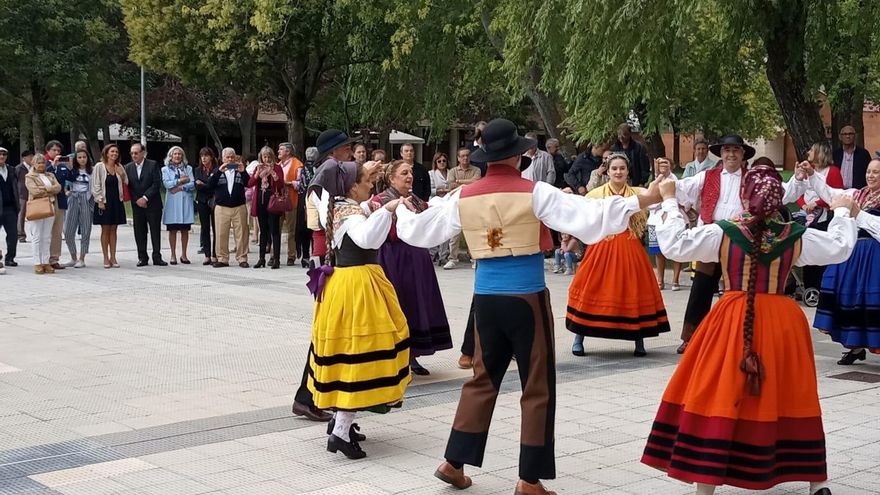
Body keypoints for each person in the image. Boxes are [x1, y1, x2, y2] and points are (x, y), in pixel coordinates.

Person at [395, 118, 662, 495]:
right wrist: (645, 199)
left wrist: (401, 212)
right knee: (537, 385)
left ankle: (453, 462)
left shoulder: (463, 196)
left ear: (487, 157)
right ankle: (529, 479)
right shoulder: (535, 192)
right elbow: (590, 218)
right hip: (526, 297)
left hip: (486, 299)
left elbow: (419, 231)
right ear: (517, 156)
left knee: (482, 379)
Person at [641, 166, 857, 495]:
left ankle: (706, 484)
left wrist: (670, 201)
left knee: (721, 391)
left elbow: (674, 246)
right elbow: (840, 247)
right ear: (778, 200)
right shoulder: (796, 235)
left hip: (733, 318)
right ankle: (817, 483)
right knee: (791, 393)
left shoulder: (723, 232)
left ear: (745, 196)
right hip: (782, 322)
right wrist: (841, 210)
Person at [672, 135, 817, 354]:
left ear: (742, 155)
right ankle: (691, 338)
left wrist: (797, 179)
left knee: (738, 292)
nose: (731, 154)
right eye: (727, 150)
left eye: (735, 150)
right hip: (711, 237)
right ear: (721, 154)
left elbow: (781, 193)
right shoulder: (707, 176)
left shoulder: (753, 178)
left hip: (741, 240)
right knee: (701, 287)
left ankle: (737, 337)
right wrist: (666, 182)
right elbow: (682, 188)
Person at [305, 159, 410, 460]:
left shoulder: (337, 206)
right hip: (358, 287)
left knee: (347, 357)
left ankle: (341, 423)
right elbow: (366, 237)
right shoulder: (350, 215)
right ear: (351, 188)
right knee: (359, 358)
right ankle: (340, 433)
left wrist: (364, 170)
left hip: (343, 284)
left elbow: (357, 206)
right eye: (366, 182)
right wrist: (388, 210)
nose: (371, 186)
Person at [567, 153, 670, 358]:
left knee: (634, 289)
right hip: (601, 247)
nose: (618, 172)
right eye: (614, 168)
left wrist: (664, 174)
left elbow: (660, 193)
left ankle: (638, 339)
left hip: (630, 246)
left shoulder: (638, 193)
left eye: (622, 168)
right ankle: (579, 337)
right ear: (607, 170)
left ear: (628, 171)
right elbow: (583, 217)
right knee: (591, 287)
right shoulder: (595, 195)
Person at [291, 129, 362, 423]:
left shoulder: (329, 176)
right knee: (326, 334)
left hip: (331, 260)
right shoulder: (327, 176)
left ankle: (312, 395)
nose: (349, 153)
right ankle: (308, 397)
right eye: (346, 148)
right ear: (334, 152)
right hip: (331, 262)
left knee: (328, 333)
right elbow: (325, 222)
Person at [371, 160, 453, 376]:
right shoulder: (380, 201)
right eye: (404, 173)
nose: (410, 176)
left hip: (417, 258)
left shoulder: (415, 199)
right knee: (399, 303)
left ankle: (413, 353)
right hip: (394, 259)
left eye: (411, 173)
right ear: (391, 178)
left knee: (417, 303)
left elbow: (430, 215)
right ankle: (397, 355)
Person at [812, 159, 880, 365]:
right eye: (868, 171)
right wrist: (812, 176)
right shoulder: (857, 195)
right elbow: (830, 193)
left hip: (874, 256)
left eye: (876, 172)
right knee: (849, 297)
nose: (870, 176)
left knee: (871, 300)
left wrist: (858, 213)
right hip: (853, 254)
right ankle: (855, 346)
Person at [797, 142, 844, 289]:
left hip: (823, 218)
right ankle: (808, 287)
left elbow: (836, 195)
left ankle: (821, 287)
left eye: (811, 150)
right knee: (806, 251)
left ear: (819, 153)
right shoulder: (806, 170)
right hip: (806, 217)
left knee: (820, 254)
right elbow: (798, 191)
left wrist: (817, 203)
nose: (808, 152)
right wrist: (803, 205)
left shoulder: (833, 171)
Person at [126, 143, 167, 267]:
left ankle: (157, 257)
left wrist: (145, 198)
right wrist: (137, 200)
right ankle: (142, 257)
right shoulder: (128, 167)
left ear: (143, 153)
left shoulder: (152, 165)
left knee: (155, 231)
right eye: (132, 153)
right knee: (139, 232)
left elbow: (156, 183)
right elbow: (128, 187)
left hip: (153, 204)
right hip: (137, 205)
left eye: (136, 153)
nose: (134, 155)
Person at [209, 147, 250, 268]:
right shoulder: (217, 171)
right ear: (223, 159)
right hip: (221, 207)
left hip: (239, 206)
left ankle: (242, 258)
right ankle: (222, 258)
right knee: (221, 233)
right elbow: (210, 185)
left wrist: (243, 172)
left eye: (232, 157)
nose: (230, 159)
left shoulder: (240, 171)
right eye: (227, 157)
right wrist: (219, 172)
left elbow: (249, 183)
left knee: (242, 233)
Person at [442, 148, 481, 270]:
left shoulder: (476, 170)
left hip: (471, 204)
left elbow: (477, 182)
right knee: (454, 233)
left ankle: (475, 258)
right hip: (456, 204)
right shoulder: (452, 171)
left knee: (472, 232)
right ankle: (452, 259)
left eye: (467, 155)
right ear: (458, 158)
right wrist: (467, 183)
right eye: (462, 156)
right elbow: (451, 185)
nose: (465, 158)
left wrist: (459, 181)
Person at [648, 157, 683, 290]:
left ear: (671, 166)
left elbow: (682, 199)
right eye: (660, 163)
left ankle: (675, 280)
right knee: (658, 251)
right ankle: (660, 280)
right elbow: (648, 199)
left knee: (677, 249)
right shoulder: (654, 180)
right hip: (655, 219)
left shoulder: (675, 181)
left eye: (665, 163)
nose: (663, 165)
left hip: (673, 218)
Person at [92, 144, 128, 269]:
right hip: (104, 201)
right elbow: (96, 184)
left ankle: (113, 256)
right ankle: (105, 257)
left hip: (116, 201)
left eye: (116, 152)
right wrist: (100, 200)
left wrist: (121, 174)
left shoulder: (119, 166)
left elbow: (126, 182)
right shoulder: (99, 166)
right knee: (105, 229)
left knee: (114, 229)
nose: (114, 154)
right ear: (106, 153)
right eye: (112, 151)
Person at [25, 154, 62, 274]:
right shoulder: (29, 176)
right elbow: (35, 191)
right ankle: (37, 262)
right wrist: (50, 189)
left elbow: (58, 187)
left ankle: (46, 261)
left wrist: (45, 189)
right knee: (37, 236)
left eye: (43, 163)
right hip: (37, 207)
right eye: (38, 163)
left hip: (50, 207)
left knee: (46, 236)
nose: (41, 165)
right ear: (34, 164)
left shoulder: (50, 175)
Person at [249, 146, 285, 269]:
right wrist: (257, 174)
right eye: (265, 157)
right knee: (263, 230)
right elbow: (250, 183)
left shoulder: (277, 168)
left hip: (272, 199)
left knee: (274, 230)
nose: (267, 159)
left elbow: (280, 185)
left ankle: (276, 259)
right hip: (261, 199)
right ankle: (261, 258)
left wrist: (273, 174)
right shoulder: (258, 168)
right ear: (261, 157)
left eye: (269, 157)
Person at [161, 146, 195, 265]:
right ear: (170, 156)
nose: (177, 156)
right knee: (173, 230)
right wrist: (180, 181)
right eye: (175, 154)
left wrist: (181, 187)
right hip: (173, 203)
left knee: (185, 230)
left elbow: (192, 184)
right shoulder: (165, 169)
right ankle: (173, 255)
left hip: (185, 200)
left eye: (179, 154)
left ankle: (184, 255)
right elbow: (167, 184)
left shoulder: (188, 168)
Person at [62, 149, 94, 268]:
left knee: (86, 230)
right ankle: (73, 257)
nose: (82, 159)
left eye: (84, 157)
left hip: (86, 199)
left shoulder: (92, 171)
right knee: (68, 231)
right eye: (79, 157)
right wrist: (67, 192)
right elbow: (65, 184)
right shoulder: (71, 170)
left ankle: (82, 258)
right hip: (73, 198)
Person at [45, 140, 73, 270]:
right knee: (46, 231)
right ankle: (43, 258)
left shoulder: (62, 165)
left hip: (60, 199)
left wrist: (71, 167)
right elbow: (41, 176)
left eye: (58, 150)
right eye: (54, 150)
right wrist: (53, 166)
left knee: (57, 231)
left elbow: (71, 178)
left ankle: (54, 258)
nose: (57, 153)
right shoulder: (43, 163)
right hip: (47, 199)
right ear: (48, 151)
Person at [278, 142, 304, 266]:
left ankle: (291, 256)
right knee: (275, 230)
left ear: (288, 152)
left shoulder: (297, 165)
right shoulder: (277, 165)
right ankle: (274, 255)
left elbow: (300, 183)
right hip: (277, 202)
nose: (278, 151)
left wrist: (288, 183)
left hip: (291, 202)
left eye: (281, 149)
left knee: (291, 231)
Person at [295, 146, 319, 268]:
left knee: (304, 229)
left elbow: (300, 185)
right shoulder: (318, 168)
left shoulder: (302, 168)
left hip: (303, 200)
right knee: (314, 229)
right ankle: (315, 255)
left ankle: (305, 256)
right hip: (314, 200)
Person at [194, 148, 218, 266]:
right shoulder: (197, 170)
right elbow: (197, 186)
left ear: (211, 157)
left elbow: (214, 185)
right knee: (205, 228)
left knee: (216, 227)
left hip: (214, 200)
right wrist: (207, 184)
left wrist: (204, 184)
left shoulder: (217, 170)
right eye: (202, 156)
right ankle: (207, 255)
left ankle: (215, 254)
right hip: (202, 201)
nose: (204, 158)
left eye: (206, 155)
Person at [832, 125, 872, 189]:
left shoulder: (864, 154)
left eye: (850, 134)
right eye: (845, 134)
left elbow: (869, 172)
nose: (848, 136)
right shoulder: (835, 154)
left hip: (857, 191)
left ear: (855, 136)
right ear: (840, 137)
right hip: (838, 191)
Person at [0, 147, 20, 273]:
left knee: (13, 234)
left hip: (10, 207)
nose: (2, 157)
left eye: (4, 154)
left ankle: (10, 258)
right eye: (0, 154)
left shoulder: (12, 170)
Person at [429, 152, 451, 264]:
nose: (442, 163)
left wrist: (446, 190)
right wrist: (439, 190)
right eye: (439, 161)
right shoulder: (431, 173)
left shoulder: (451, 172)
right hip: (436, 203)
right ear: (435, 162)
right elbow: (430, 189)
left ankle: (443, 255)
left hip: (448, 203)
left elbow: (453, 186)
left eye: (444, 161)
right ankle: (432, 253)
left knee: (446, 229)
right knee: (435, 229)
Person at [15, 150, 34, 243]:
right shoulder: (19, 168)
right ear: (24, 158)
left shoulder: (34, 168)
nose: (31, 158)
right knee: (21, 214)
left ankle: (35, 234)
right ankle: (21, 235)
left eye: (32, 156)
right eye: (29, 157)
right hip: (22, 194)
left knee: (35, 214)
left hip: (33, 194)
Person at [245, 155, 260, 247]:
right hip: (257, 193)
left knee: (248, 216)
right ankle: (256, 235)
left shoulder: (248, 168)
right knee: (256, 216)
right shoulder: (259, 166)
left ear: (247, 161)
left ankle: (250, 237)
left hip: (249, 194)